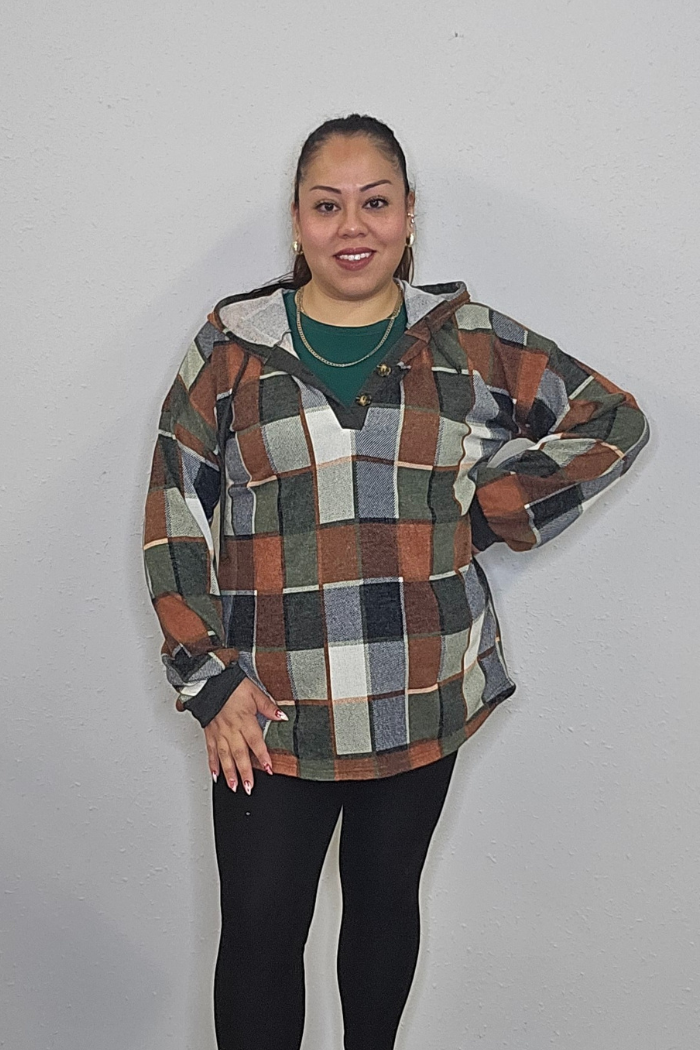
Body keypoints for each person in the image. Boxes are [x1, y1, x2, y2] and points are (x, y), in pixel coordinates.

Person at [142, 113, 650, 1050]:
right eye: (328, 206)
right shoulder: (231, 350)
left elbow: (610, 420)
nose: (353, 227)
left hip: (419, 688)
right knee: (259, 935)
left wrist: (490, 505)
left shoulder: (463, 338)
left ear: (409, 214)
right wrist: (206, 677)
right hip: (268, 705)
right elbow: (176, 513)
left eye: (375, 203)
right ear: (296, 221)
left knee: (383, 910)